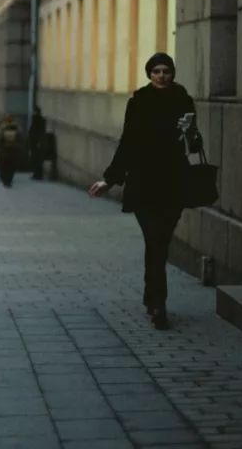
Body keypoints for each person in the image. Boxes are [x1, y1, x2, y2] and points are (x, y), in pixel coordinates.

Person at [88, 52, 197, 331]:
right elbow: (128, 142)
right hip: (144, 183)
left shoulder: (183, 100)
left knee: (161, 242)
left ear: (172, 73)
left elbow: (195, 145)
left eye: (166, 71)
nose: (161, 76)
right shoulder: (139, 102)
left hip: (173, 181)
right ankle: (158, 303)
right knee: (155, 242)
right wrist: (109, 180)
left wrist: (190, 133)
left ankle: (153, 298)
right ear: (149, 74)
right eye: (156, 71)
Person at [0, 116, 22, 187]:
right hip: (14, 152)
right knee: (11, 167)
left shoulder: (2, 130)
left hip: (3, 152)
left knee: (3, 166)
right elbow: (21, 141)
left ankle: (4, 179)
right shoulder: (17, 130)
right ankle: (9, 180)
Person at [29, 106, 47, 180]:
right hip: (38, 141)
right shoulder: (41, 120)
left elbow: (34, 130)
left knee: (36, 159)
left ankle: (37, 174)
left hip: (36, 141)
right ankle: (37, 174)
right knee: (38, 159)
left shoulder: (37, 119)